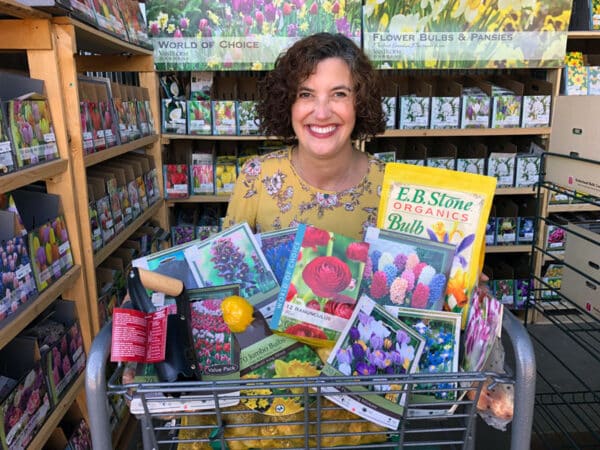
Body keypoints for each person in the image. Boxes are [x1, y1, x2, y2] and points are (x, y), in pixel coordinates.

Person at [223, 32, 386, 240]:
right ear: (287, 103)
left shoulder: (391, 188)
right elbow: (226, 265)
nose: (322, 113)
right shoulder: (257, 177)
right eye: (306, 94)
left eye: (339, 94)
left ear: (360, 103)